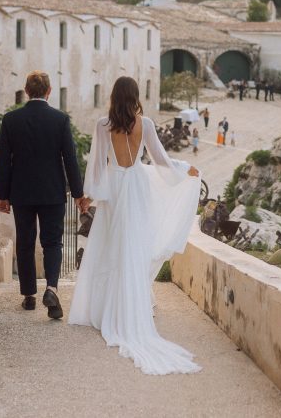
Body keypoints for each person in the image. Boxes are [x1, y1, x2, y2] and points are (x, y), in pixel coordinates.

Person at [69, 76, 202, 375]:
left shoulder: (103, 125)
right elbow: (160, 160)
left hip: (115, 188)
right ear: (135, 96)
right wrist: (185, 169)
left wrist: (89, 196)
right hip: (138, 186)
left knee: (110, 247)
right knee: (135, 245)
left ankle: (106, 307)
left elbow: (97, 164)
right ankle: (134, 304)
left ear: (114, 96)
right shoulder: (147, 124)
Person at [0, 71, 85, 319]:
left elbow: (3, 161)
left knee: (25, 242)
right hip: (53, 192)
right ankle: (52, 288)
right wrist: (78, 194)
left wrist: (2, 195)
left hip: (21, 192)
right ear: (49, 91)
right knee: (52, 242)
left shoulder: (11, 120)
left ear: (26, 91)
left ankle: (29, 296)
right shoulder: (60, 120)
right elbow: (70, 160)